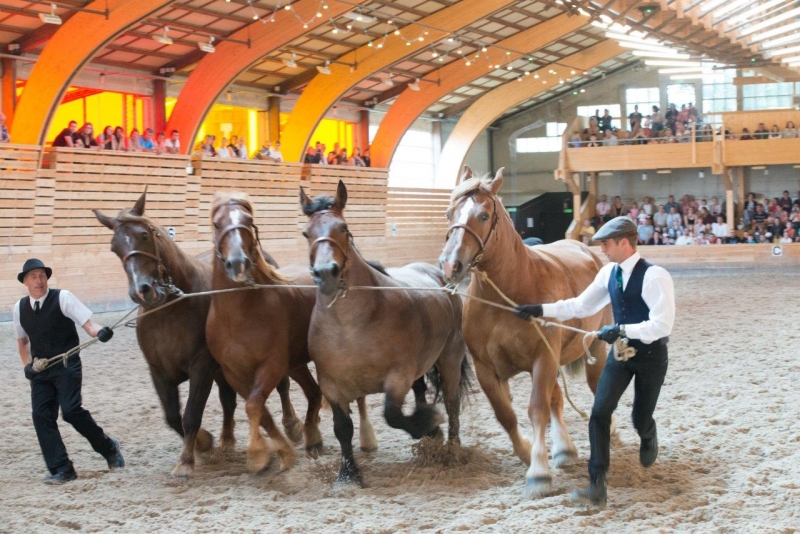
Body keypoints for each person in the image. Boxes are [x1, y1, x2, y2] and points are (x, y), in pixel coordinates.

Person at [513, 217, 674, 507]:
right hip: (621, 354)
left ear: (624, 243)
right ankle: (596, 484)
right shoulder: (608, 273)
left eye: (606, 244)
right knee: (599, 413)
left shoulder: (655, 276)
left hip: (651, 356)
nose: (601, 249)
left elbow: (662, 325)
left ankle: (647, 434)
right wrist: (540, 309)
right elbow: (580, 305)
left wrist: (623, 329)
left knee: (640, 417)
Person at [13, 259, 124, 484]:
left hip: (67, 364)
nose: (39, 280)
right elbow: (23, 342)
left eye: (42, 275)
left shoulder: (63, 298)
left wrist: (101, 332)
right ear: (25, 281)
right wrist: (27, 366)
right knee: (41, 416)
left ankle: (109, 448)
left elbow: (89, 325)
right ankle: (62, 469)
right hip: (41, 371)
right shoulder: (19, 308)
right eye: (33, 276)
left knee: (71, 411)